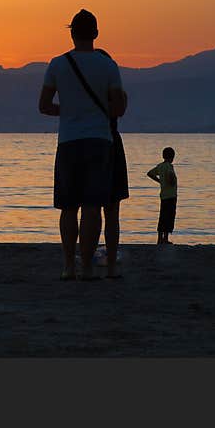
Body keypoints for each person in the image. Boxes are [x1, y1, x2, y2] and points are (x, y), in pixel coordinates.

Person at [39, 9, 126, 280]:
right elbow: (118, 108)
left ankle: (68, 266)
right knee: (92, 206)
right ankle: (87, 267)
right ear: (96, 34)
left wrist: (68, 111)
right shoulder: (108, 66)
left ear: (72, 34)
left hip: (68, 142)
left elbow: (44, 106)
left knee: (68, 207)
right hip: (100, 141)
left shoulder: (57, 64)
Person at [96, 49, 129, 279]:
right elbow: (120, 109)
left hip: (91, 142)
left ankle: (89, 257)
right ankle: (110, 263)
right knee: (112, 210)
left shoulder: (87, 96)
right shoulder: (117, 94)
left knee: (89, 207)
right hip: (111, 144)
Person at [147, 147, 178, 245]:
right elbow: (170, 176)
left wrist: (160, 181)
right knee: (169, 217)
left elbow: (150, 173)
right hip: (171, 196)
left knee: (162, 217)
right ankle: (165, 238)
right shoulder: (169, 166)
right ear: (172, 157)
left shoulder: (160, 166)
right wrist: (172, 182)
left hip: (163, 196)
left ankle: (160, 238)